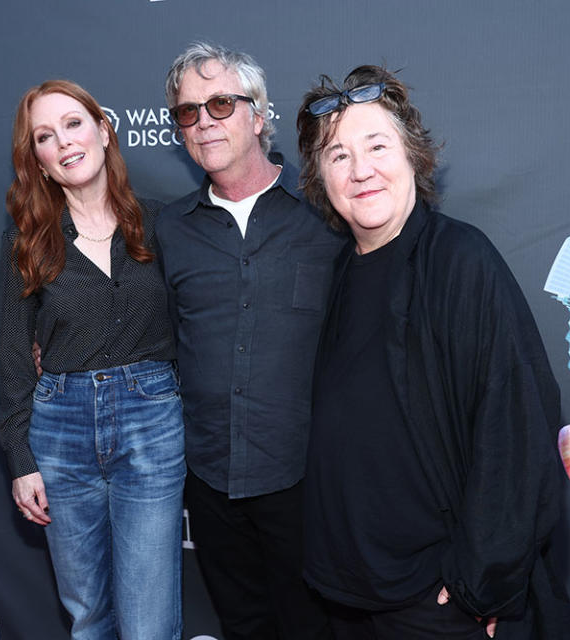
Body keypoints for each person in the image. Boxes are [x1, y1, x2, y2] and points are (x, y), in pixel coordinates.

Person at [295, 66, 570, 639]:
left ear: (413, 156)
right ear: (320, 178)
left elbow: (516, 430)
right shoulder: (341, 269)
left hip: (434, 601)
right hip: (343, 592)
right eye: (338, 156)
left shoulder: (460, 261)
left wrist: (480, 583)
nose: (361, 170)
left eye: (377, 146)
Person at [156, 43, 343, 639]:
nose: (204, 120)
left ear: (260, 115)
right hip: (210, 483)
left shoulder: (329, 212)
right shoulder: (168, 230)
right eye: (188, 111)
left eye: (220, 103)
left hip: (310, 480)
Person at [0, 79, 185, 640]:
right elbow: (11, 352)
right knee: (88, 617)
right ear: (40, 162)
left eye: (74, 124)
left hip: (151, 420)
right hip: (59, 429)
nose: (64, 143)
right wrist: (21, 457)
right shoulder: (26, 241)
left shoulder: (163, 224)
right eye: (45, 137)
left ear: (104, 131)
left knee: (149, 623)